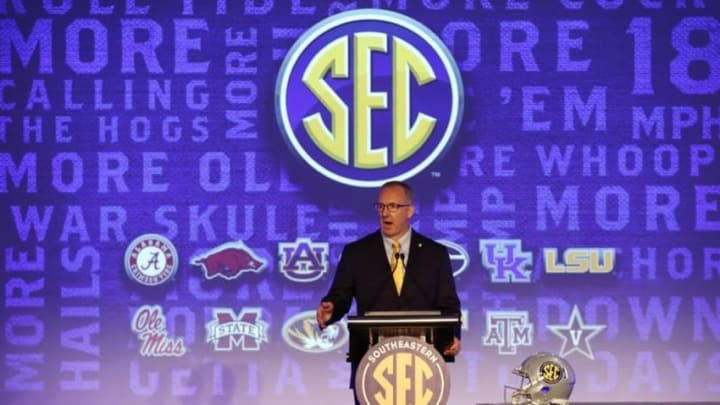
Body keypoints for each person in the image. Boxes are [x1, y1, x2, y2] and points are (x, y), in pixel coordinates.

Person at [316, 180, 462, 401]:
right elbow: (340, 295)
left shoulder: (435, 254)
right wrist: (331, 309)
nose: (386, 213)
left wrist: (453, 335)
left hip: (423, 367)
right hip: (372, 368)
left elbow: (449, 304)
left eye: (393, 206)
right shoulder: (358, 253)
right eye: (381, 207)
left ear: (410, 210)